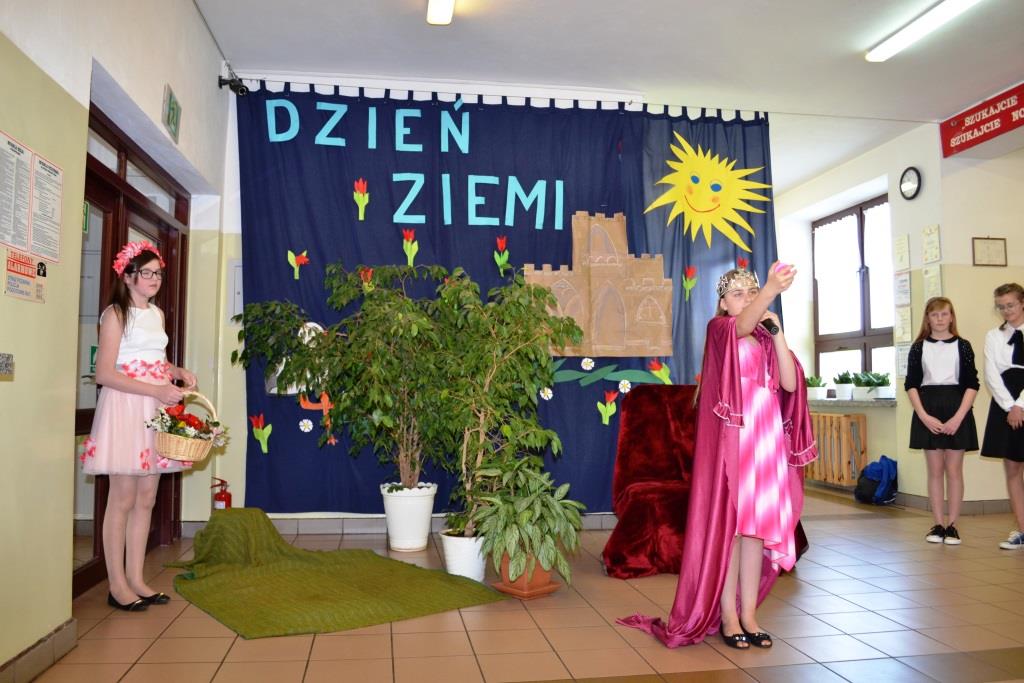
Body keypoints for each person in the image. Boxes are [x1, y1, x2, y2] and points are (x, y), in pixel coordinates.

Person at [619, 262, 816, 649]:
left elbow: (790, 383)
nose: (746, 299)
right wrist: (769, 291)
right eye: (738, 294)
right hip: (735, 443)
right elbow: (742, 325)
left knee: (755, 532)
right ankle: (728, 615)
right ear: (724, 304)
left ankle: (749, 614)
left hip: (766, 443)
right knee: (733, 533)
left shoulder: (764, 339)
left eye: (751, 292)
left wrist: (778, 333)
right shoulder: (720, 330)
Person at [81, 241, 196, 611]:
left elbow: (155, 360)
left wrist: (176, 371)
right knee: (123, 498)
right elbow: (104, 373)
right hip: (126, 407)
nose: (154, 279)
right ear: (127, 276)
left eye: (158, 273)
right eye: (146, 273)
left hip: (154, 407)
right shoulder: (115, 314)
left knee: (147, 497)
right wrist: (156, 389)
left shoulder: (156, 314)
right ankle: (116, 585)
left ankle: (136, 579)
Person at [904, 297, 979, 545]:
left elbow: (972, 384)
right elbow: (911, 384)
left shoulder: (963, 346)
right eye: (934, 315)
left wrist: (959, 417)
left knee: (954, 470)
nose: (939, 319)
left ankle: (953, 526)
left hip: (957, 408)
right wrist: (923, 416)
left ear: (951, 317)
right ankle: (937, 524)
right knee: (935, 471)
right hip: (928, 409)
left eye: (944, 314)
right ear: (927, 318)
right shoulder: (918, 347)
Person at [981, 283, 1024, 550]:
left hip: (1021, 401)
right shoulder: (994, 336)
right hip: (1004, 401)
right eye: (1001, 307)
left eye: (1010, 305)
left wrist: (1021, 405)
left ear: (1022, 303)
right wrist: (1010, 406)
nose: (1006, 311)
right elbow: (991, 374)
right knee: (1012, 467)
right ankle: (1022, 528)